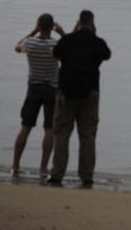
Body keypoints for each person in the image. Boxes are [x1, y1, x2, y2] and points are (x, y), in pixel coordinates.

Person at [47, 10, 111, 188]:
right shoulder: (97, 42)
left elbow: (56, 54)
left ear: (78, 22)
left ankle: (57, 174)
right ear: (92, 23)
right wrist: (93, 34)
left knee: (62, 134)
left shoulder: (68, 40)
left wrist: (73, 32)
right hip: (90, 93)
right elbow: (107, 55)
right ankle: (87, 175)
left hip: (66, 93)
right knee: (88, 136)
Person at [12, 14, 65, 178]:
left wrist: (33, 31)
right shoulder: (56, 44)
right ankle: (43, 168)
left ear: (38, 25)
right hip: (51, 89)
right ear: (52, 27)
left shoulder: (30, 42)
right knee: (49, 129)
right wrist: (62, 33)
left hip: (33, 88)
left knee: (25, 127)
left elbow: (17, 47)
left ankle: (15, 165)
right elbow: (69, 50)